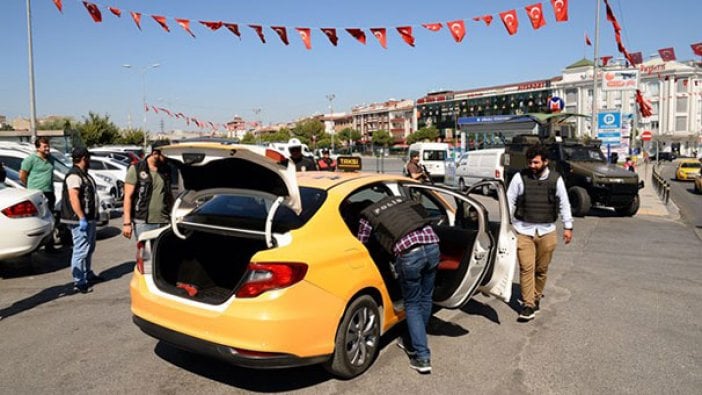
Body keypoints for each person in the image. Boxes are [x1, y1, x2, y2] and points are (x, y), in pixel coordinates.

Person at [357, 196, 440, 374]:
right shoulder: (400, 201)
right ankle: (413, 339)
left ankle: (421, 355)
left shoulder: (367, 216)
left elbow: (361, 244)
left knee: (412, 305)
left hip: (410, 255)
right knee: (426, 298)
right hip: (433, 246)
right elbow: (423, 215)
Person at [507, 145, 573, 322]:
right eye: (530, 162)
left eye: (536, 162)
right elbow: (509, 200)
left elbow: (564, 203)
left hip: (547, 231)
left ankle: (536, 296)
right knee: (526, 268)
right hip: (523, 230)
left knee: (541, 269)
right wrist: (507, 225)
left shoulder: (555, 179)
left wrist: (568, 227)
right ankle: (528, 305)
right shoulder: (520, 178)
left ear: (545, 161)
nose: (532, 165)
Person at [60, 147, 103, 294]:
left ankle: (88, 273)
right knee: (80, 250)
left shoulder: (84, 175)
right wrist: (81, 217)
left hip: (89, 217)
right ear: (84, 158)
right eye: (88, 158)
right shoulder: (74, 175)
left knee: (89, 248)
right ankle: (79, 281)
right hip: (78, 220)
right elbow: (74, 198)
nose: (90, 160)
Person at [122, 143, 174, 241]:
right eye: (165, 155)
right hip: (143, 222)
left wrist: (173, 214)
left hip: (164, 221)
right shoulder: (137, 169)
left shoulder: (166, 170)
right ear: (155, 154)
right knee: (145, 254)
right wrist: (127, 223)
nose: (168, 158)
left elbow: (169, 194)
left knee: (160, 254)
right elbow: (128, 196)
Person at [20, 137, 57, 211]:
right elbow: (22, 176)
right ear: (38, 148)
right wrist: (30, 187)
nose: (47, 148)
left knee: (49, 215)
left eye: (48, 146)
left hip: (49, 192)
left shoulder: (51, 159)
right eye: (45, 147)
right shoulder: (30, 159)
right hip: (36, 193)